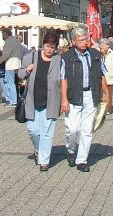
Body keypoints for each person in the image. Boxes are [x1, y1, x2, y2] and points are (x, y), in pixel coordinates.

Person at [58, 25, 106, 172]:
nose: (84, 42)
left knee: (86, 130)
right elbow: (63, 79)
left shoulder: (95, 54)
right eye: (81, 40)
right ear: (73, 42)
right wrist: (64, 99)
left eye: (86, 39)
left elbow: (102, 73)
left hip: (91, 95)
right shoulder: (67, 57)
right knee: (72, 129)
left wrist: (105, 93)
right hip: (73, 95)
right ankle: (71, 150)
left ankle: (81, 160)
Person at [19, 35, 64, 171]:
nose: (49, 50)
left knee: (47, 132)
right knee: (33, 130)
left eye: (52, 47)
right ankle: (38, 149)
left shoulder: (59, 60)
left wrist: (63, 101)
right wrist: (27, 70)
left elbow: (63, 80)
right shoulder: (31, 57)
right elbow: (20, 74)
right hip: (32, 100)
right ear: (42, 45)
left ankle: (44, 161)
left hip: (51, 101)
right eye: (47, 46)